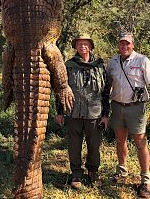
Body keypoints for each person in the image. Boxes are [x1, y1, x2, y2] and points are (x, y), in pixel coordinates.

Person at [106, 32, 150, 198]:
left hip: (136, 108)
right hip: (117, 106)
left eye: (127, 43)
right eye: (122, 43)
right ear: (118, 45)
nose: (124, 46)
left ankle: (145, 180)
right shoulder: (113, 62)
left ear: (133, 45)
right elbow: (107, 85)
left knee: (140, 143)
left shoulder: (142, 60)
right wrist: (103, 109)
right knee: (120, 140)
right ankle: (122, 170)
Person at [56, 33, 110, 189]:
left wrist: (106, 114)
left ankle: (92, 172)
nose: (83, 46)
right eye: (79, 44)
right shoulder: (69, 65)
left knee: (94, 145)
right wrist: (60, 111)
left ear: (91, 46)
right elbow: (61, 89)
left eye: (86, 44)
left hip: (95, 113)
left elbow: (106, 91)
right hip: (73, 112)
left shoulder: (100, 65)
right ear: (75, 47)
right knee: (74, 145)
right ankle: (76, 174)